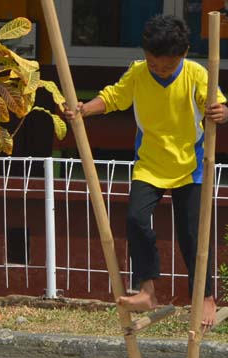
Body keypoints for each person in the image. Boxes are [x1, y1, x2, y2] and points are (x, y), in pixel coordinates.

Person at [63, 15, 228, 331]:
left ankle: (205, 296)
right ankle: (147, 290)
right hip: (150, 165)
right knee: (136, 219)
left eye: (167, 67)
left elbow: (218, 105)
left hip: (189, 166)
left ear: (183, 54)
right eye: (154, 65)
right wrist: (85, 109)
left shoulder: (195, 74)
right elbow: (113, 98)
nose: (159, 71)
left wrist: (221, 113)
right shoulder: (138, 73)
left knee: (193, 235)